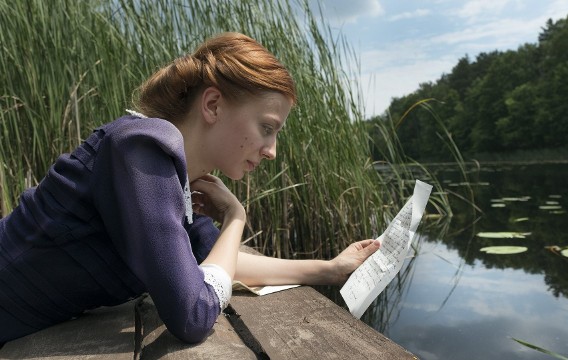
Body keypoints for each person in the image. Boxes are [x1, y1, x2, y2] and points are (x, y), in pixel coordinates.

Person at [0, 32, 380, 344]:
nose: (272, 152)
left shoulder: (178, 180)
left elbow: (220, 262)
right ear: (213, 105)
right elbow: (193, 314)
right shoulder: (142, 147)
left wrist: (330, 269)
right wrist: (236, 217)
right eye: (267, 128)